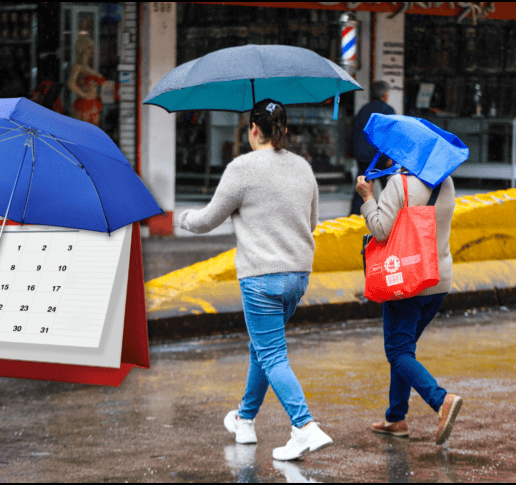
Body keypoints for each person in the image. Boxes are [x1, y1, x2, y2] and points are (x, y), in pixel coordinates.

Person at [179, 99, 332, 461]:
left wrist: (183, 217)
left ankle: (304, 426)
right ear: (284, 130)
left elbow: (207, 221)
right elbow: (311, 223)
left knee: (272, 353)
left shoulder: (241, 168)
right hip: (298, 276)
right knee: (262, 349)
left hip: (262, 276)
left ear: (253, 130)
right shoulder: (303, 168)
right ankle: (245, 420)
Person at [355, 165, 463, 446]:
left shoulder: (400, 184)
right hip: (437, 280)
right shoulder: (446, 181)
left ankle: (441, 400)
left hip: (406, 281)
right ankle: (395, 418)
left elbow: (380, 231)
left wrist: (367, 197)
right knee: (404, 351)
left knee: (398, 350)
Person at [349, 80, 396, 215]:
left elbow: (354, 133)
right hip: (379, 157)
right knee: (391, 189)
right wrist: (389, 157)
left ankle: (354, 217)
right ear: (385, 95)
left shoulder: (363, 110)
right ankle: (392, 216)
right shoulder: (387, 110)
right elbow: (390, 137)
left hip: (363, 156)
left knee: (361, 189)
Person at [68, 35, 105, 126]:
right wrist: (84, 95)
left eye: (92, 47)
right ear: (82, 48)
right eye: (89, 48)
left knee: (93, 135)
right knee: (82, 135)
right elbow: (71, 84)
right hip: (84, 106)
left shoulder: (87, 68)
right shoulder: (78, 66)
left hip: (94, 104)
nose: (91, 50)